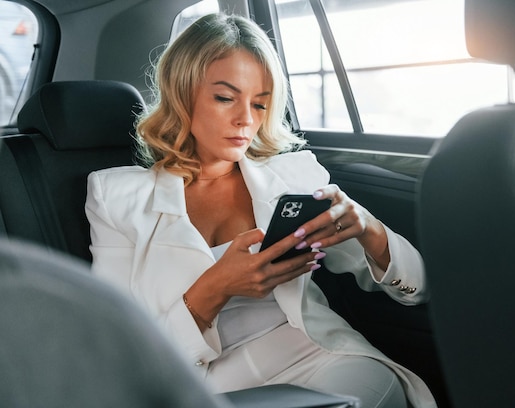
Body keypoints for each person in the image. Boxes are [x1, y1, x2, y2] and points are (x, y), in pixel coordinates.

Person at [85, 13, 436, 408]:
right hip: (198, 380)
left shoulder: (295, 175)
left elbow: (416, 290)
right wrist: (214, 289)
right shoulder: (115, 197)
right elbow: (116, 348)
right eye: (225, 97)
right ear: (182, 94)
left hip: (316, 358)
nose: (246, 120)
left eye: (260, 103)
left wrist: (368, 228)